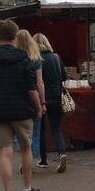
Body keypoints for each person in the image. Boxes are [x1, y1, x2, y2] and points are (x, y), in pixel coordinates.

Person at [0, 20, 43, 191]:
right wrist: (38, 107)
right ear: (15, 36)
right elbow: (32, 89)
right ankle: (28, 188)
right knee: (25, 149)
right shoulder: (23, 58)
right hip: (22, 109)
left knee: (5, 153)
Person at [34, 33, 68, 173]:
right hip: (56, 96)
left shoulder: (36, 59)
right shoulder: (56, 57)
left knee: (41, 130)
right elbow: (64, 76)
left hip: (42, 98)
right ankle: (61, 153)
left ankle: (43, 159)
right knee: (56, 128)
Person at [14, 30, 47, 166]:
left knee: (19, 132)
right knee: (35, 132)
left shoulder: (14, 58)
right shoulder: (36, 58)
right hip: (34, 98)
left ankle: (23, 159)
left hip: (18, 98)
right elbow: (40, 82)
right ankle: (30, 160)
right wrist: (43, 102)